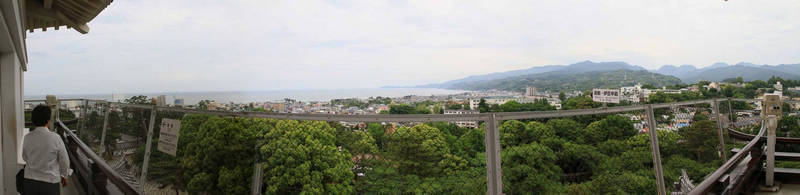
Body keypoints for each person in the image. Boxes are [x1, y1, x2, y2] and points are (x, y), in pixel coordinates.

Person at [22, 105, 72, 195]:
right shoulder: (56, 138)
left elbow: (24, 157)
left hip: (30, 182)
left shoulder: (27, 137)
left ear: (33, 120)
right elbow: (64, 160)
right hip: (50, 183)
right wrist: (64, 175)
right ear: (48, 120)